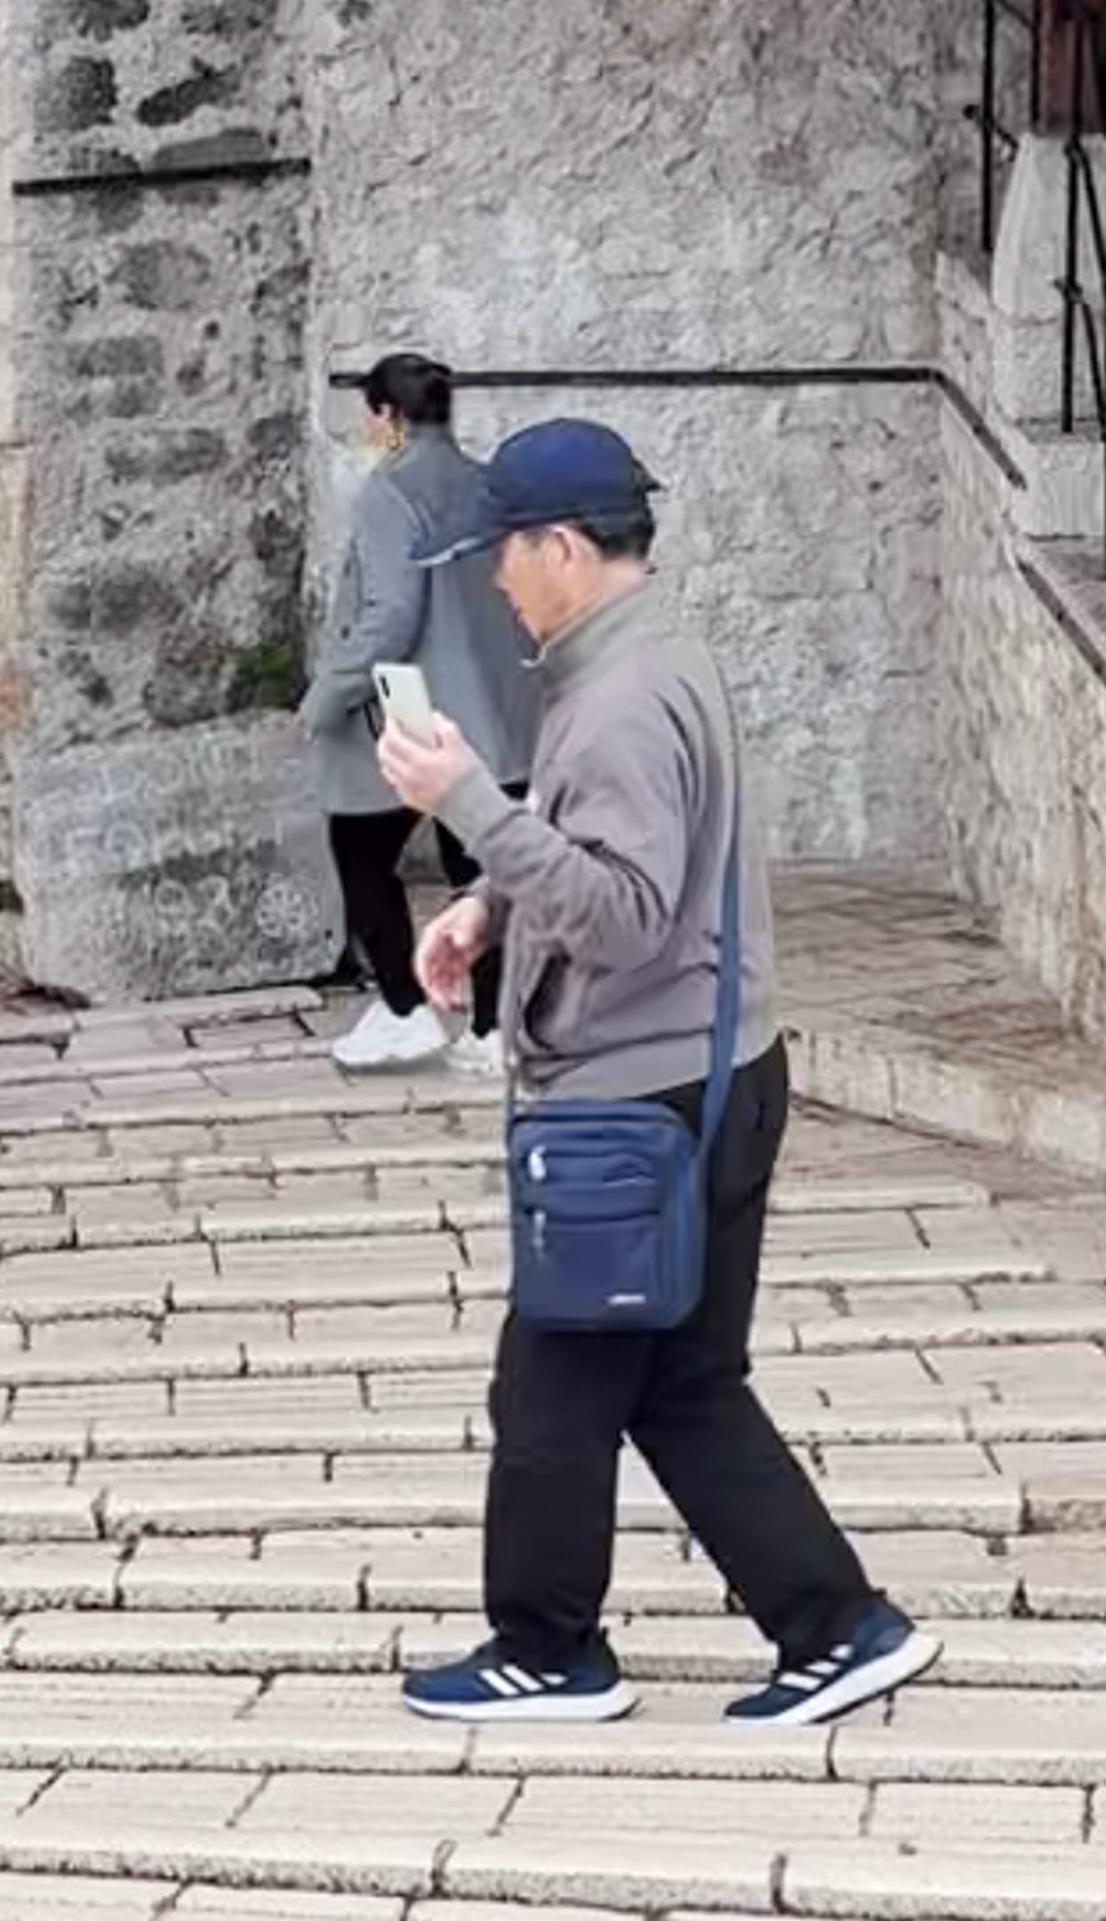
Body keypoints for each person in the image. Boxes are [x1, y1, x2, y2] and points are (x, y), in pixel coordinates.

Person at [373, 417, 936, 1740]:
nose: (494, 582)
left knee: (552, 1387)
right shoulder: (654, 653)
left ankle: (545, 1646)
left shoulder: (617, 694)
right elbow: (626, 867)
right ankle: (839, 1625)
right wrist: (491, 910)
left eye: (502, 556)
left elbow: (625, 913)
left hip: (636, 1100)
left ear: (561, 546)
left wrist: (465, 802)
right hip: (716, 1067)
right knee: (683, 1381)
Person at [301, 351, 532, 1076]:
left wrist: (327, 693)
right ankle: (493, 1028)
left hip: (411, 707)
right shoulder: (489, 483)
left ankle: (404, 1007)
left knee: (361, 850)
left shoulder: (388, 494)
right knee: (481, 860)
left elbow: (390, 614)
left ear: (387, 417)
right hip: (495, 709)